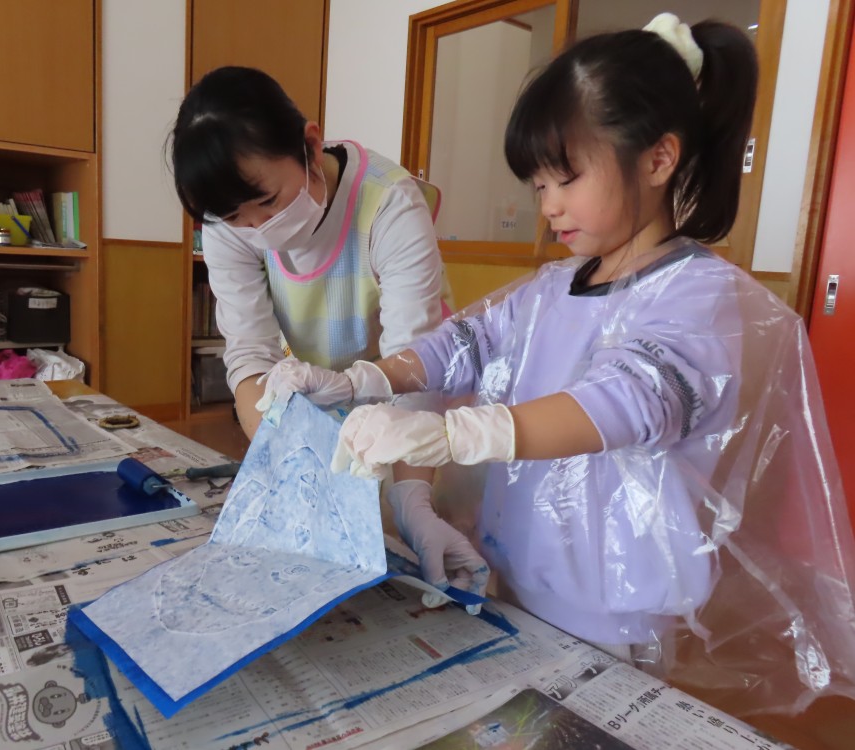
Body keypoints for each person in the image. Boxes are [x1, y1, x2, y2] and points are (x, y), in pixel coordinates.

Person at [259, 12, 855, 708]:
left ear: (657, 159)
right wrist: (360, 379)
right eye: (539, 186)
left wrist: (454, 433)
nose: (548, 206)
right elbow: (462, 345)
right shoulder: (554, 287)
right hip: (519, 570)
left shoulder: (699, 294)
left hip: (612, 607)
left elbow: (629, 401)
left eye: (565, 180)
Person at [170, 66, 489, 605]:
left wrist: (413, 499)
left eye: (269, 202)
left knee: (429, 542)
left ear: (311, 146)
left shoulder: (388, 203)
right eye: (236, 218)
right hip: (325, 397)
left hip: (419, 399)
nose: (257, 229)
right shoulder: (226, 224)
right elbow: (251, 357)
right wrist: (288, 456)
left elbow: (417, 363)